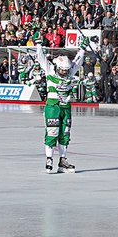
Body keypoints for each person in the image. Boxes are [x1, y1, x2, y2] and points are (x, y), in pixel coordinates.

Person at [34, 43, 86, 174]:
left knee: (65, 133)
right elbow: (41, 58)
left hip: (66, 107)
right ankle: (49, 159)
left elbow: (77, 62)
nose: (64, 72)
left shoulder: (70, 71)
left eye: (66, 70)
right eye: (62, 70)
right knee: (52, 133)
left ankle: (63, 160)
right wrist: (39, 45)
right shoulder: (50, 69)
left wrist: (83, 49)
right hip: (53, 106)